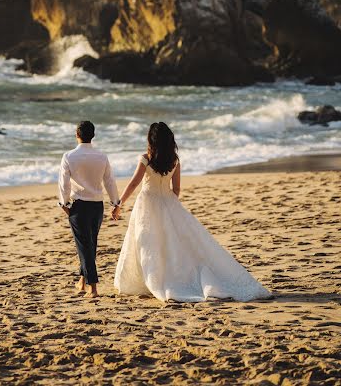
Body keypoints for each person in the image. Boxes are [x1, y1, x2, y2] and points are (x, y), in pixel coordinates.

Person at [113, 122, 271, 302]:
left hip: (147, 203)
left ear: (151, 140)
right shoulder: (174, 160)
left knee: (147, 242)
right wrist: (169, 206)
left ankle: (151, 280)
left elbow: (134, 183)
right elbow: (177, 189)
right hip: (168, 202)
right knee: (170, 243)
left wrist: (119, 203)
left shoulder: (146, 159)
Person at [58, 120, 120, 298]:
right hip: (97, 206)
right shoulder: (102, 156)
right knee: (89, 244)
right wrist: (115, 203)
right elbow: (110, 181)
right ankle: (82, 281)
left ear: (77, 135)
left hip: (79, 206)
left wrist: (64, 204)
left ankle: (93, 287)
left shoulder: (69, 156)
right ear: (92, 136)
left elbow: (64, 184)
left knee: (85, 246)